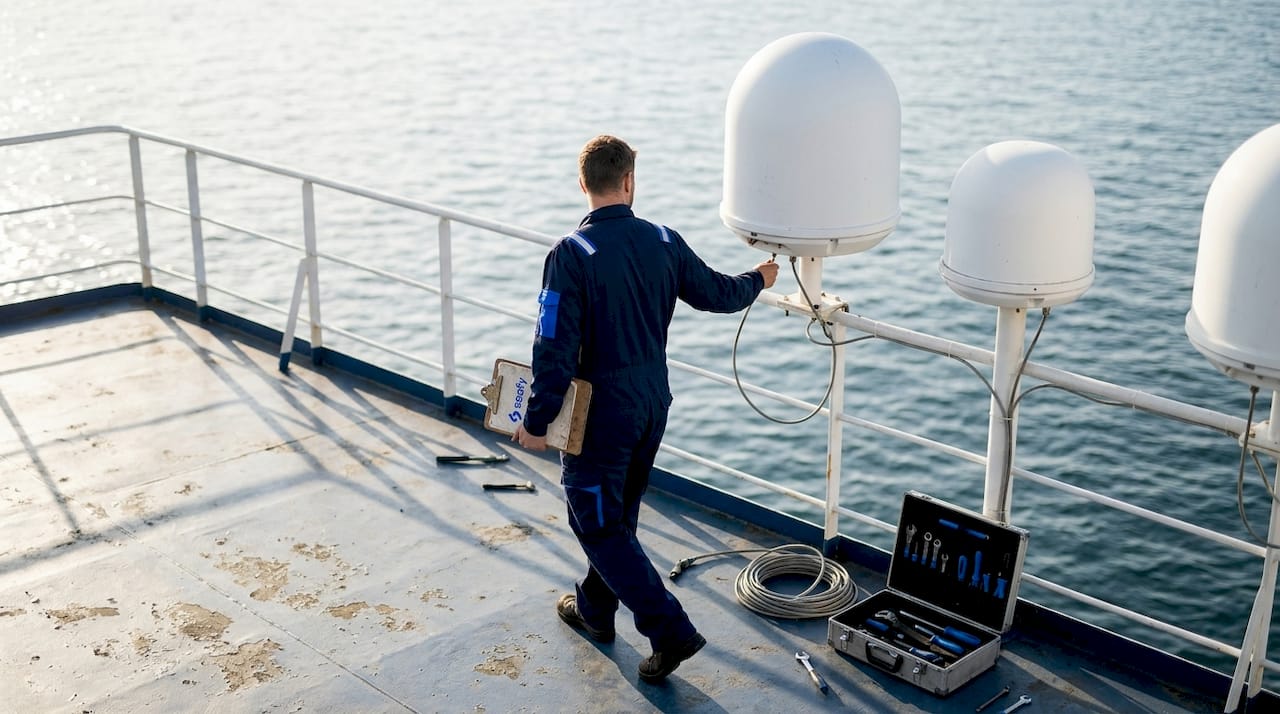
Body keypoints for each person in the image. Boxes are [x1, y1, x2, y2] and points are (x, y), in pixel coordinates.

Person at [512, 134, 778, 682]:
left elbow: (553, 348)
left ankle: (670, 631)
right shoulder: (663, 239)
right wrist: (759, 278)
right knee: (618, 519)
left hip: (599, 417)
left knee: (597, 524)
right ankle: (594, 609)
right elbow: (718, 294)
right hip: (653, 403)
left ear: (584, 184)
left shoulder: (571, 255)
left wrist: (535, 421)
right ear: (630, 181)